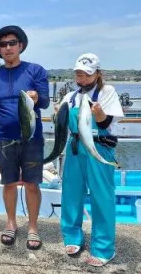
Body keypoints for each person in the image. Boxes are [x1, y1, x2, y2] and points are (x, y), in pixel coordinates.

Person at [0, 25, 49, 250]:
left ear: (21, 45)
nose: (8, 47)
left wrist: (37, 96)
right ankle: (10, 223)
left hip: (32, 138)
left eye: (12, 43)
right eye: (3, 45)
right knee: (8, 183)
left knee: (32, 184)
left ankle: (33, 227)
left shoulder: (35, 70)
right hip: (3, 139)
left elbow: (46, 103)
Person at [59, 53, 124, 267]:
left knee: (102, 197)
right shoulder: (69, 97)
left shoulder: (107, 92)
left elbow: (106, 124)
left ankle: (104, 248)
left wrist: (99, 115)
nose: (83, 79)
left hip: (100, 147)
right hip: (76, 147)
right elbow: (61, 123)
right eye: (79, 74)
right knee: (71, 192)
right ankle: (72, 236)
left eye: (87, 74)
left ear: (97, 73)